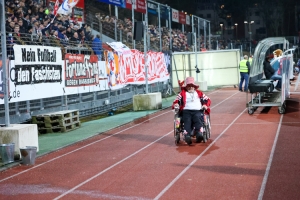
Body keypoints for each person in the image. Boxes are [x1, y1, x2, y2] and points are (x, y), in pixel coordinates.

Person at [172, 77, 211, 145]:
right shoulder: (182, 93)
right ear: (186, 87)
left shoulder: (199, 93)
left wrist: (205, 105)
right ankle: (187, 135)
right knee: (187, 120)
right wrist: (176, 105)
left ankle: (199, 134)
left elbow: (208, 100)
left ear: (194, 86)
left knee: (197, 118)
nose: (190, 87)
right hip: (186, 111)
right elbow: (176, 101)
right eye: (189, 86)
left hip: (198, 110)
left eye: (192, 86)